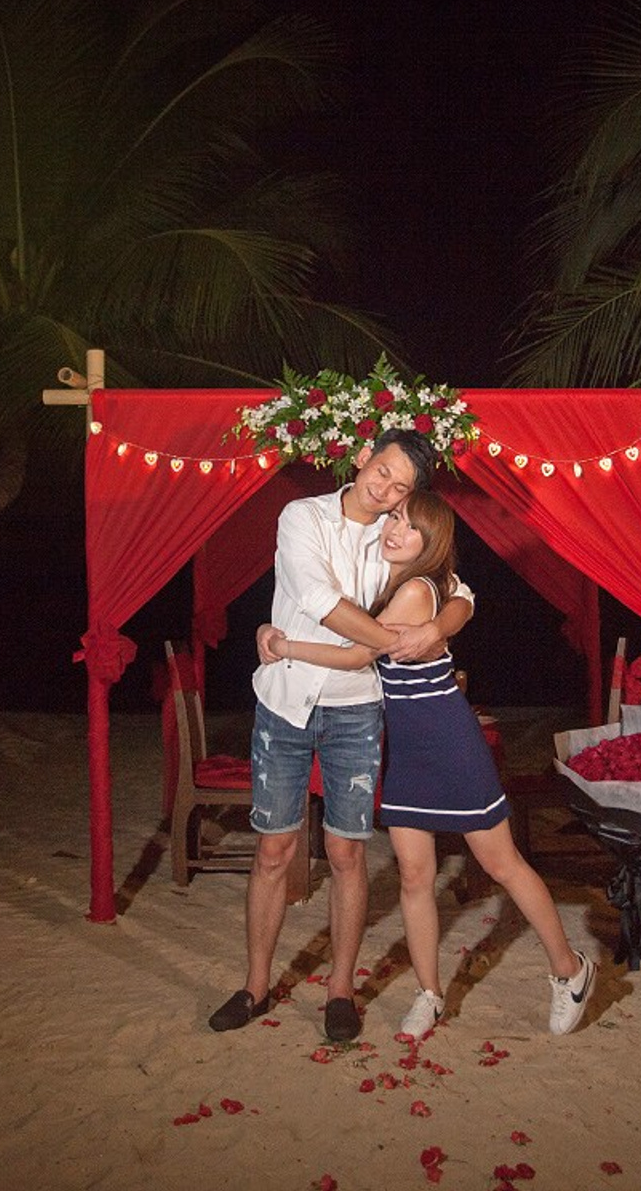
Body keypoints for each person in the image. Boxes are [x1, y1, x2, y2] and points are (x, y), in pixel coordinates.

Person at [259, 489, 597, 1039]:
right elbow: (461, 596)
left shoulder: (414, 591)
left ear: (430, 543)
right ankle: (429, 994)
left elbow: (356, 655)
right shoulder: (403, 579)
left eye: (409, 526)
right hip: (407, 750)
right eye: (393, 516)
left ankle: (569, 970)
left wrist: (283, 646)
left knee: (502, 863)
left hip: (447, 740)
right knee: (415, 877)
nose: (394, 528)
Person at [208, 430, 474, 1041]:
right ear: (361, 459)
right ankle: (254, 985)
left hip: (358, 709)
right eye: (381, 471)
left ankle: (340, 990)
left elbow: (459, 591)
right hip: (286, 703)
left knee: (349, 853)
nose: (384, 490)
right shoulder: (302, 516)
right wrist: (409, 641)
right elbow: (320, 599)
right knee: (275, 850)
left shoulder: (395, 535)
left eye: (400, 487)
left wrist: (440, 624)